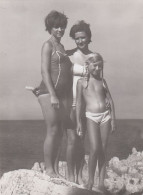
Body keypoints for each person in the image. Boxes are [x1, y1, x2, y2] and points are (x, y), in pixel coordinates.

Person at [32, 10, 73, 178]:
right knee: (53, 130)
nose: (60, 30)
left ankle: (55, 169)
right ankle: (49, 170)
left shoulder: (62, 47)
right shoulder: (47, 45)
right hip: (48, 93)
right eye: (56, 27)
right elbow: (44, 71)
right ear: (50, 28)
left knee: (60, 132)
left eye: (62, 27)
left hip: (62, 95)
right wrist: (53, 94)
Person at [76, 53, 116, 192]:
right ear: (88, 65)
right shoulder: (81, 82)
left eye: (100, 66)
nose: (98, 68)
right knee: (94, 149)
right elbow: (79, 104)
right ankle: (90, 181)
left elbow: (110, 100)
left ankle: (101, 183)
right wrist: (78, 123)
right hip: (91, 117)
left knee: (103, 150)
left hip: (105, 117)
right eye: (95, 65)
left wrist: (113, 120)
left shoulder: (103, 81)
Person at [66, 20, 94, 183]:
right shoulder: (69, 55)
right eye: (77, 38)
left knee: (82, 142)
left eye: (83, 37)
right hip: (72, 104)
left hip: (87, 105)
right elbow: (58, 75)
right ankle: (70, 175)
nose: (80, 41)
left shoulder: (94, 57)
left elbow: (97, 83)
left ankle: (78, 175)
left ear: (89, 37)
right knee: (72, 140)